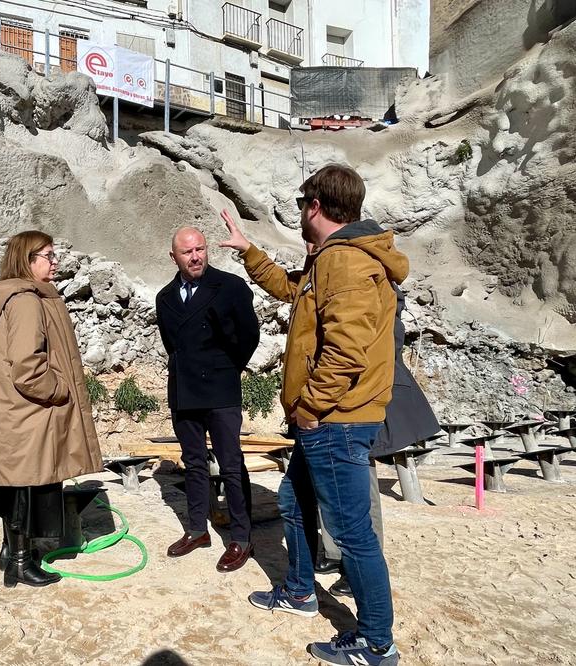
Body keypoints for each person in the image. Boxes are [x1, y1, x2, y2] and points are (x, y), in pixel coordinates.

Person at [220, 163, 409, 666]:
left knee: (351, 533)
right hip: (331, 419)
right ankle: (302, 592)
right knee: (293, 503)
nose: (301, 214)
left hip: (335, 420)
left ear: (316, 207)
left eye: (303, 205)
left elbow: (346, 351)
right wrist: (249, 253)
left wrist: (308, 408)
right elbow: (290, 288)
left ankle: (375, 643)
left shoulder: (344, 262)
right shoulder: (331, 259)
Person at [0, 231, 103, 588]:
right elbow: (27, 367)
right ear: (27, 260)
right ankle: (19, 563)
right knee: (27, 489)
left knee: (16, 487)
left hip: (12, 414)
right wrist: (59, 388)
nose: (55, 261)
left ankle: (12, 553)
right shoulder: (26, 301)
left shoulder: (9, 298)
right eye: (48, 255)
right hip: (29, 413)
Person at [317, 281, 441, 598]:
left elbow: (382, 344)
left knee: (361, 484)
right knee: (330, 480)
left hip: (358, 398)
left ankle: (358, 565)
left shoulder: (371, 283)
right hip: (331, 398)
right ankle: (335, 553)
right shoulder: (331, 274)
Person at [155, 226, 261, 572]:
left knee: (231, 464)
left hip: (220, 388)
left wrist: (224, 368)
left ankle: (242, 537)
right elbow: (172, 344)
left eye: (200, 249)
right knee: (194, 462)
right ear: (174, 257)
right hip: (184, 390)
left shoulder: (230, 287)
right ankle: (198, 529)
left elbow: (249, 336)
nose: (196, 256)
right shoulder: (165, 296)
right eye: (187, 252)